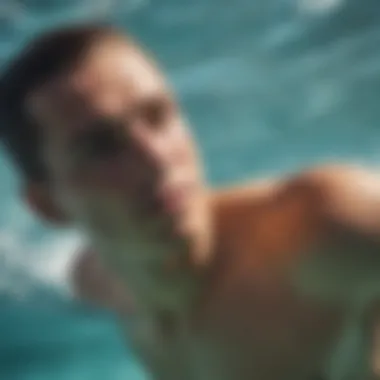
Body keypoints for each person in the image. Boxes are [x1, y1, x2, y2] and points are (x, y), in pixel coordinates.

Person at [1, 23, 380, 380]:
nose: (155, 158)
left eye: (158, 115)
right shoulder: (96, 282)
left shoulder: (322, 231)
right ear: (49, 206)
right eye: (103, 147)